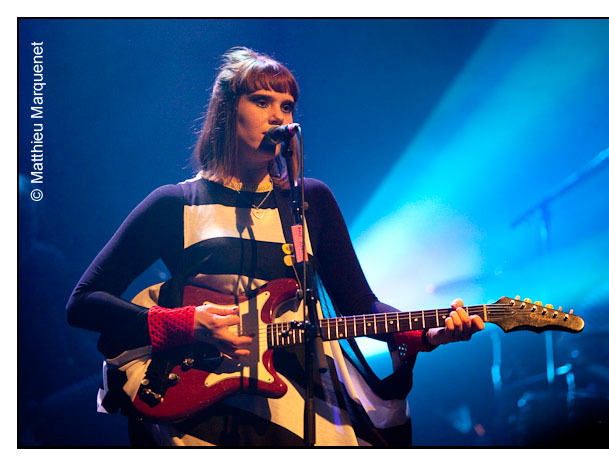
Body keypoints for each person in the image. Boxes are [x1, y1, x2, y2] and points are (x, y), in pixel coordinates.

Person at [66, 47, 484, 446]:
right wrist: (187, 323)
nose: (277, 116)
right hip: (201, 410)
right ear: (229, 110)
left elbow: (359, 305)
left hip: (299, 401)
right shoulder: (176, 203)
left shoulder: (309, 201)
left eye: (286, 106)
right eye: (262, 101)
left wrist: (426, 331)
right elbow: (84, 302)